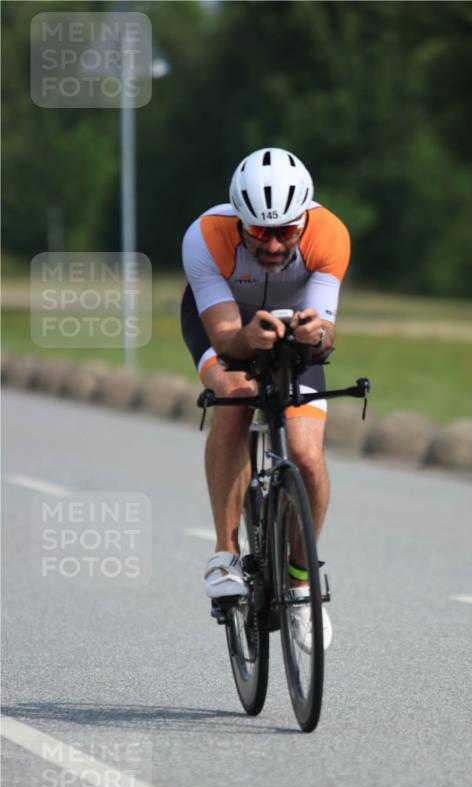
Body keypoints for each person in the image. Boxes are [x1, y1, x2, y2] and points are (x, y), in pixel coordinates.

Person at [181, 147, 351, 650]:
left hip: (293, 327)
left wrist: (315, 335)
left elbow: (326, 334)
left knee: (306, 455)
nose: (274, 244)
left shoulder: (330, 234)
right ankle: (225, 553)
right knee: (235, 392)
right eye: (260, 232)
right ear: (239, 220)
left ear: (303, 220)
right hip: (227, 322)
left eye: (285, 232)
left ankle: (301, 579)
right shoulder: (205, 236)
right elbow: (226, 336)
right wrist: (245, 340)